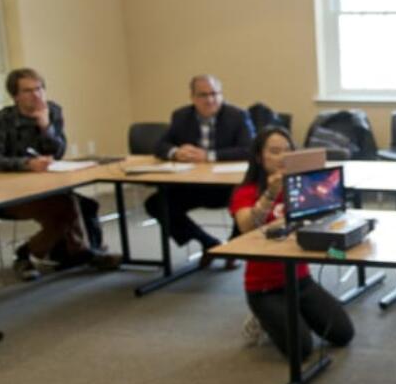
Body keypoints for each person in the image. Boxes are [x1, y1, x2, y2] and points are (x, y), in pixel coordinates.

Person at [0, 68, 121, 280]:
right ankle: (28, 254)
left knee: (82, 205)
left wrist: (45, 126)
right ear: (15, 96)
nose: (36, 95)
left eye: (39, 89)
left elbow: (58, 152)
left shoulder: (52, 111)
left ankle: (73, 252)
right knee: (65, 208)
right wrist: (27, 164)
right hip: (10, 193)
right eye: (28, 91)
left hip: (47, 186)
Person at [229, 126, 354, 361]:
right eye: (275, 151)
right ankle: (264, 317)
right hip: (264, 287)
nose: (283, 157)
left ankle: (291, 314)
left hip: (300, 279)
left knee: (343, 334)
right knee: (301, 351)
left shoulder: (300, 186)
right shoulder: (246, 191)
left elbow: (322, 221)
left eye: (288, 150)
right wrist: (270, 193)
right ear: (259, 157)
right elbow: (246, 225)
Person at [145, 75, 254, 266]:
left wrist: (209, 156)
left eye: (214, 94)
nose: (210, 100)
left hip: (227, 187)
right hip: (192, 185)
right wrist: (176, 152)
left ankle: (233, 248)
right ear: (193, 97)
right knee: (156, 203)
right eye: (203, 95)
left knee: (246, 198)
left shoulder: (237, 116)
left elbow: (249, 149)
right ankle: (208, 244)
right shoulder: (181, 116)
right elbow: (160, 145)